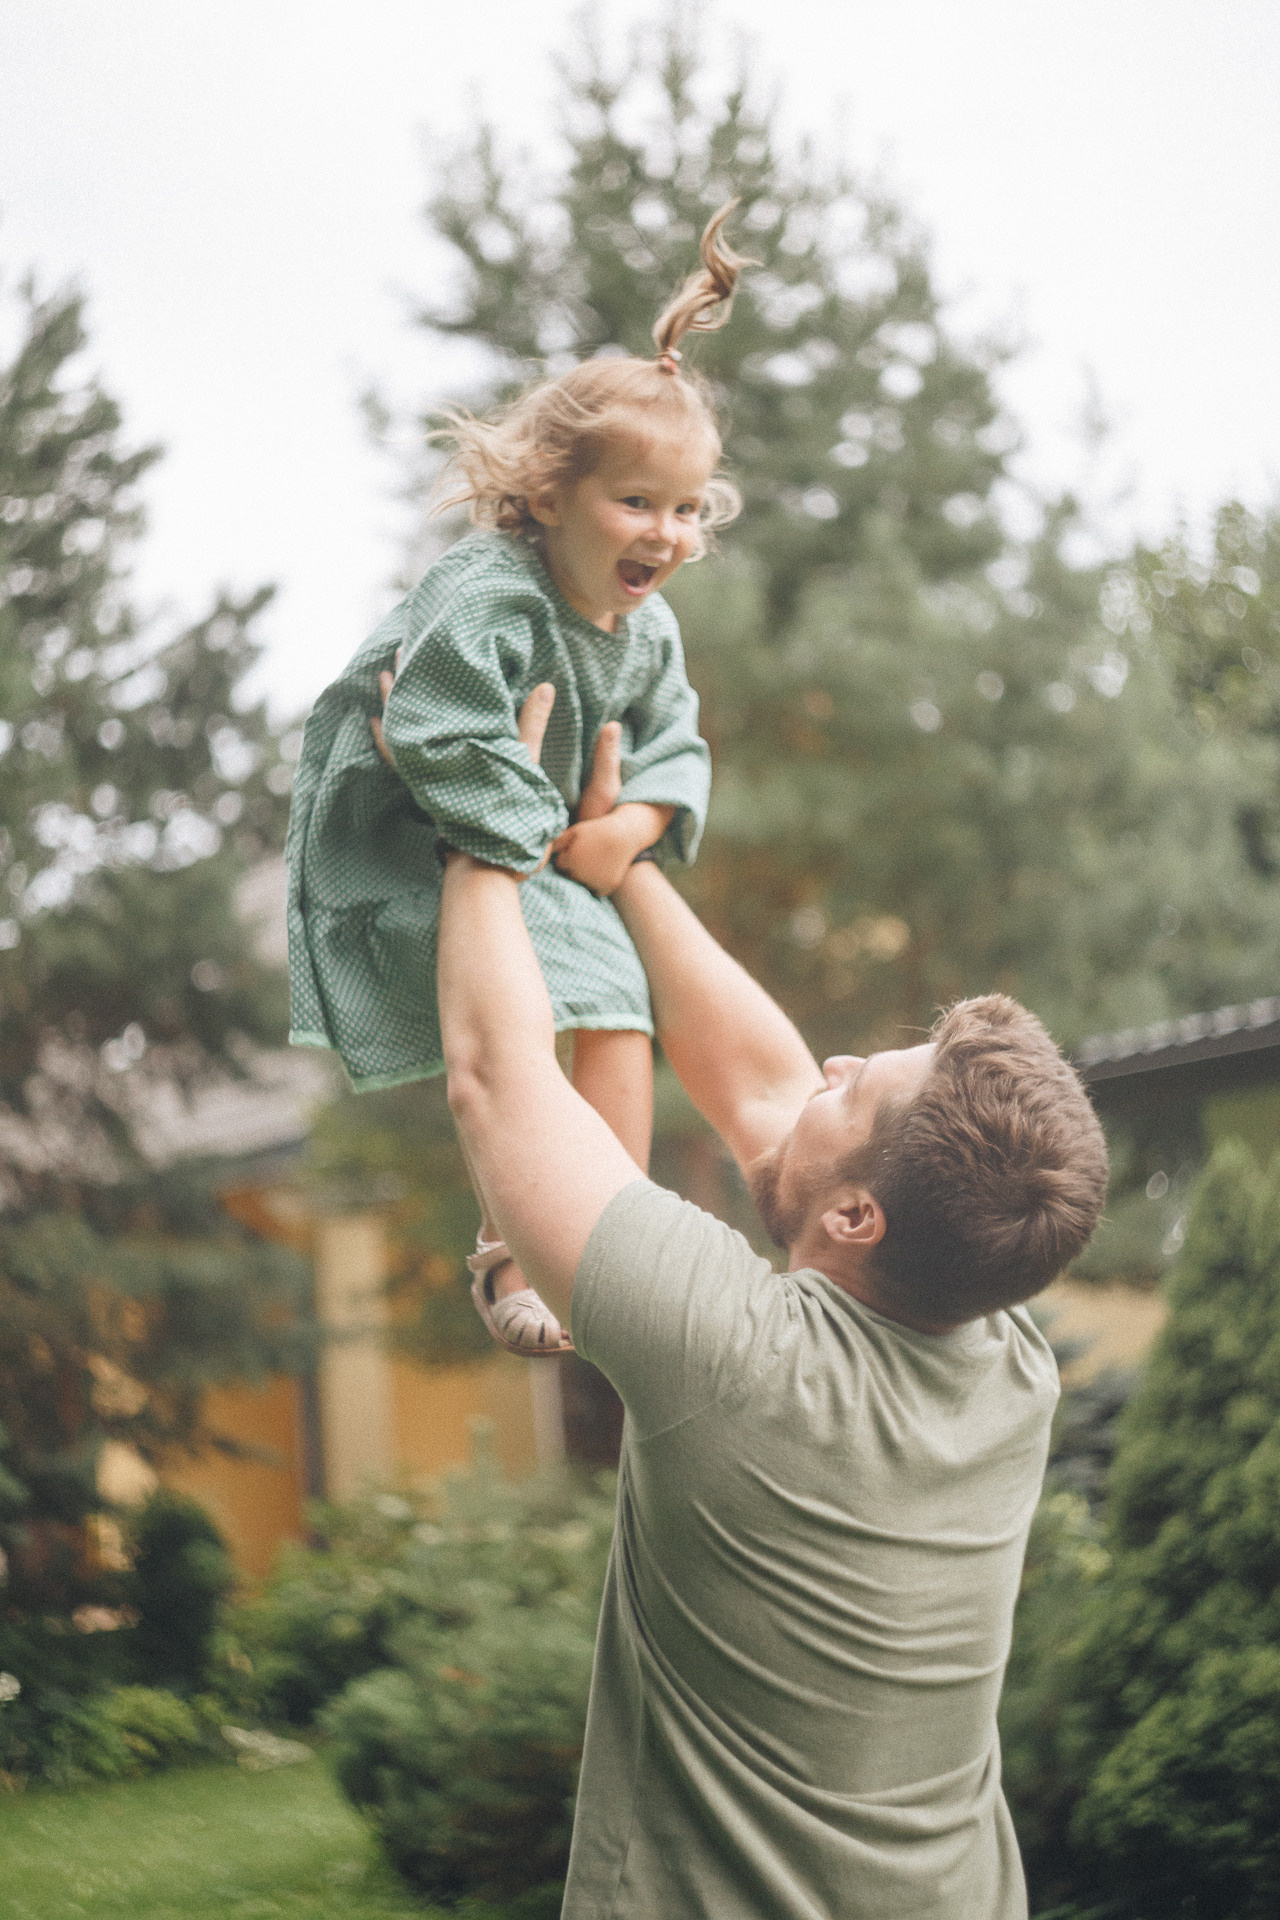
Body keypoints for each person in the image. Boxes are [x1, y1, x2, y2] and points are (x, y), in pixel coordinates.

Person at [434, 687, 1109, 1919]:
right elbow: (766, 1092)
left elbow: (495, 1077)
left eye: (857, 1086)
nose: (832, 1064)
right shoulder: (1004, 1352)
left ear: (857, 1220)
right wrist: (624, 867)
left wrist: (478, 819)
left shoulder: (734, 1357)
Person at [285, 202, 754, 1355]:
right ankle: (509, 1258)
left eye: (686, 509)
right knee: (522, 1019)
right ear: (547, 496)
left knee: (620, 1011)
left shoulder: (646, 638)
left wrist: (631, 825)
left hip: (540, 847)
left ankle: (609, 1235)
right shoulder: (489, 592)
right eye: (635, 502)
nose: (668, 533)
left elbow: (676, 744)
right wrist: (542, 824)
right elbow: (432, 727)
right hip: (416, 838)